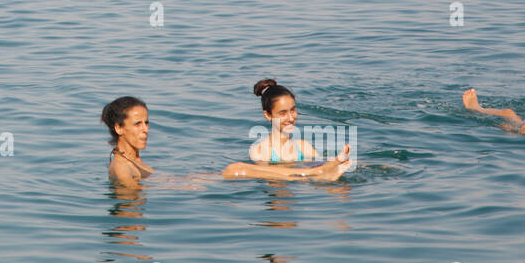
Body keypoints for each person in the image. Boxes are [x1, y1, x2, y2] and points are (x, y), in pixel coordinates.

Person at [102, 97, 350, 188]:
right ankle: (315, 174)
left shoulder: (130, 158)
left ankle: (318, 170)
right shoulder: (121, 166)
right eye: (138, 124)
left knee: (240, 168)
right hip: (186, 187)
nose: (146, 129)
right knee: (237, 169)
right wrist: (183, 187)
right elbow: (133, 200)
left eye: (147, 123)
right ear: (119, 128)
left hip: (190, 181)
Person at [248, 78, 319, 163]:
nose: (291, 118)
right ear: (268, 115)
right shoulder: (259, 152)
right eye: (282, 113)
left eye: (292, 110)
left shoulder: (303, 146)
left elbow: (323, 169)